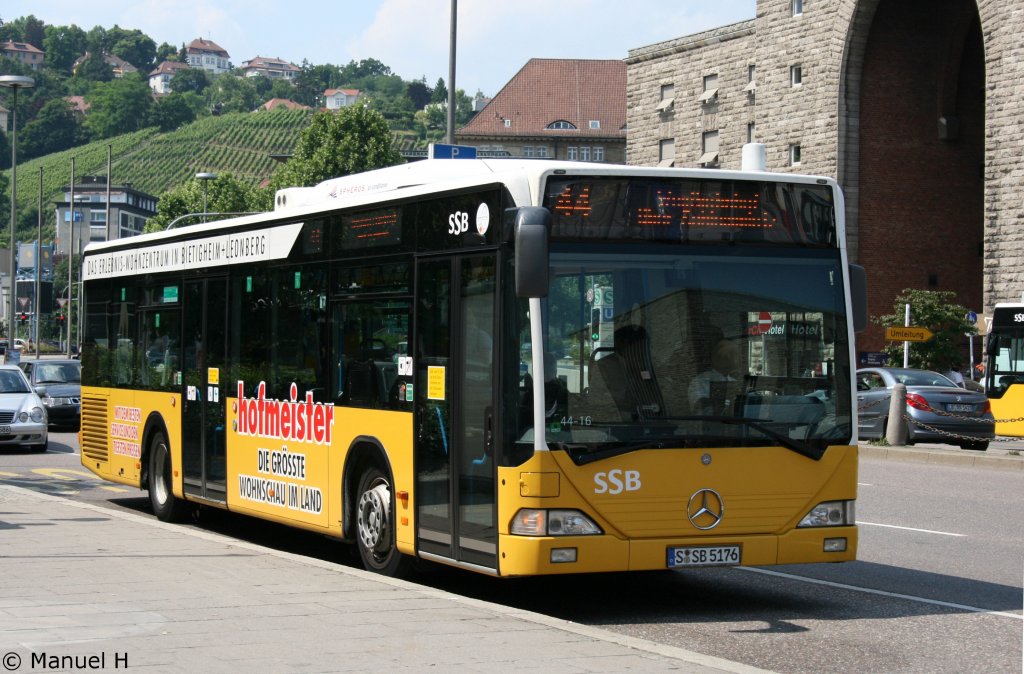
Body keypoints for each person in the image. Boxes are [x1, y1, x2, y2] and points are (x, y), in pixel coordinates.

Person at [689, 338, 741, 414]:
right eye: (729, 356)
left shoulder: (734, 382)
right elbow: (702, 410)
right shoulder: (700, 382)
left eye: (735, 356)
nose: (737, 360)